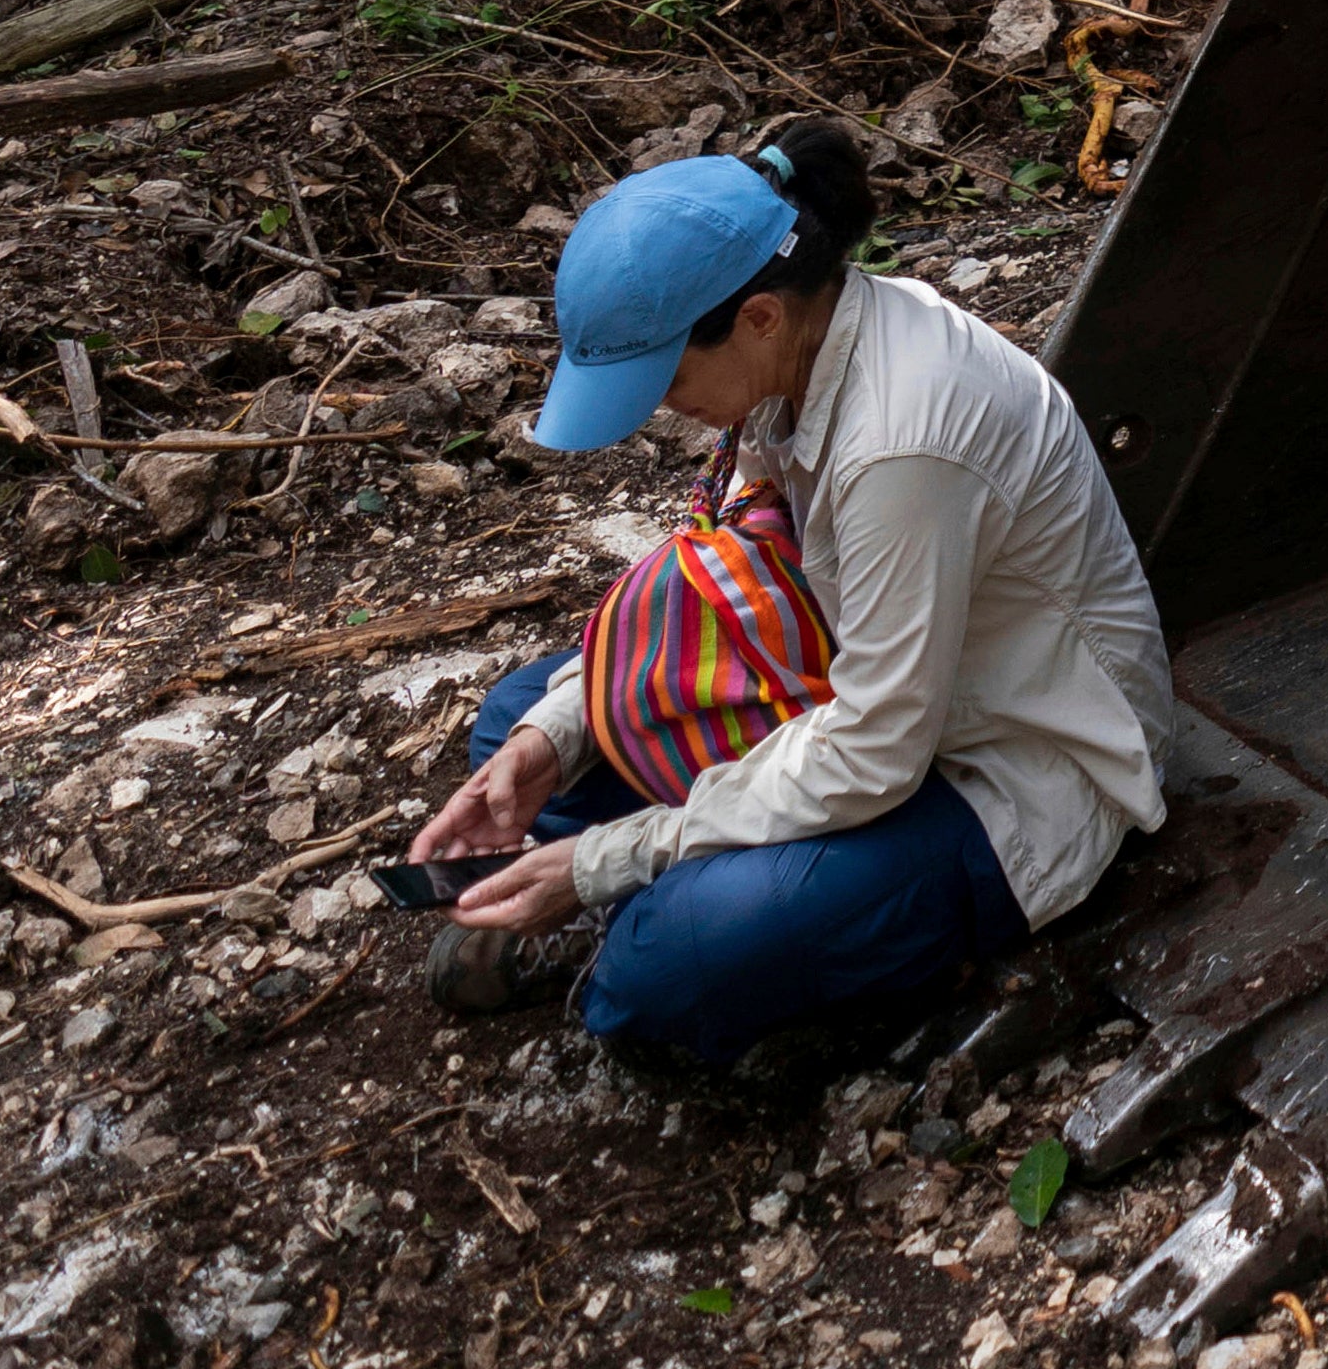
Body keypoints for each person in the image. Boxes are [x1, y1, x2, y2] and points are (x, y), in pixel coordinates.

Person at [408, 117, 1172, 1063]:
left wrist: (613, 855)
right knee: (518, 721)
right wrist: (552, 745)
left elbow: (877, 746)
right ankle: (680, 889)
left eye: (667, 377)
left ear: (759, 314)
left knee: (663, 970)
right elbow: (720, 579)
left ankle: (719, 935)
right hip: (855, 684)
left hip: (1000, 768)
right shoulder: (794, 359)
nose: (659, 408)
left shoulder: (903, 442)